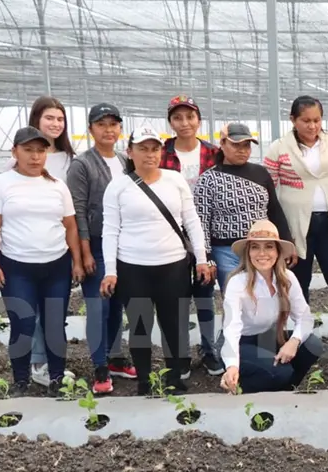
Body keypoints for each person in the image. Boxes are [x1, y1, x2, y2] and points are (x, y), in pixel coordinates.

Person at [100, 126, 213, 396]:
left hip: (173, 266)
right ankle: (144, 381)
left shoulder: (175, 180)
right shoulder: (118, 186)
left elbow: (192, 221)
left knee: (174, 325)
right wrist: (111, 271)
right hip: (133, 267)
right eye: (143, 148)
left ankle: (174, 379)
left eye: (154, 148)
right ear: (130, 152)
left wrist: (201, 259)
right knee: (140, 326)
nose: (150, 154)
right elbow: (110, 230)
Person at [0, 127, 84, 395]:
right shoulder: (1, 184)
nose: (35, 156)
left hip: (56, 266)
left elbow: (70, 226)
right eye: (28, 150)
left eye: (41, 150)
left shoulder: (57, 186)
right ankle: (20, 380)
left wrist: (76, 261)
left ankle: (57, 377)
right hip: (17, 266)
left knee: (54, 323)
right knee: (22, 323)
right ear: (15, 152)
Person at [67, 102, 135, 395]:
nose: (108, 130)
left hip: (124, 244)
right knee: (98, 306)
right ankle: (99, 365)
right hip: (95, 243)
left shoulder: (125, 161)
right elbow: (77, 210)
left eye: (113, 124)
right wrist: (83, 254)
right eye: (101, 124)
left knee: (117, 304)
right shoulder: (82, 165)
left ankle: (115, 355)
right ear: (91, 129)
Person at [264, 95, 328, 300]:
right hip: (296, 224)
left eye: (317, 120)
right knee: (297, 279)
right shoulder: (279, 148)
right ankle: (299, 328)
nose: (312, 126)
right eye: (306, 121)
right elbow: (269, 187)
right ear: (293, 120)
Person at [159, 95, 222, 377]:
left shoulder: (214, 153)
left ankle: (209, 350)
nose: (184, 123)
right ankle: (180, 355)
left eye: (190, 117)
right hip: (169, 235)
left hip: (206, 233)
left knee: (205, 294)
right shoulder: (159, 154)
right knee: (176, 297)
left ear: (199, 120)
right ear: (171, 122)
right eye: (178, 118)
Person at [218, 221, 319, 394]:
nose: (262, 253)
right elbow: (232, 328)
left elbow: (305, 317)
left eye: (269, 247)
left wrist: (293, 342)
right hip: (242, 342)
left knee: (313, 345)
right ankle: (241, 388)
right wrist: (232, 365)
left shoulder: (288, 278)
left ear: (278, 252)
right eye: (255, 247)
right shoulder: (237, 282)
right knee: (280, 373)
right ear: (248, 252)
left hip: (267, 337)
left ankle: (285, 390)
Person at [194, 121, 293, 295]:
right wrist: (207, 257)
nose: (242, 150)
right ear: (222, 144)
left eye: (246, 145)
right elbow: (201, 222)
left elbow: (274, 210)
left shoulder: (261, 173)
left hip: (261, 248)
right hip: (227, 252)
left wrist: (287, 242)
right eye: (236, 145)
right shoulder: (208, 179)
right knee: (236, 299)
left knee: (266, 295)